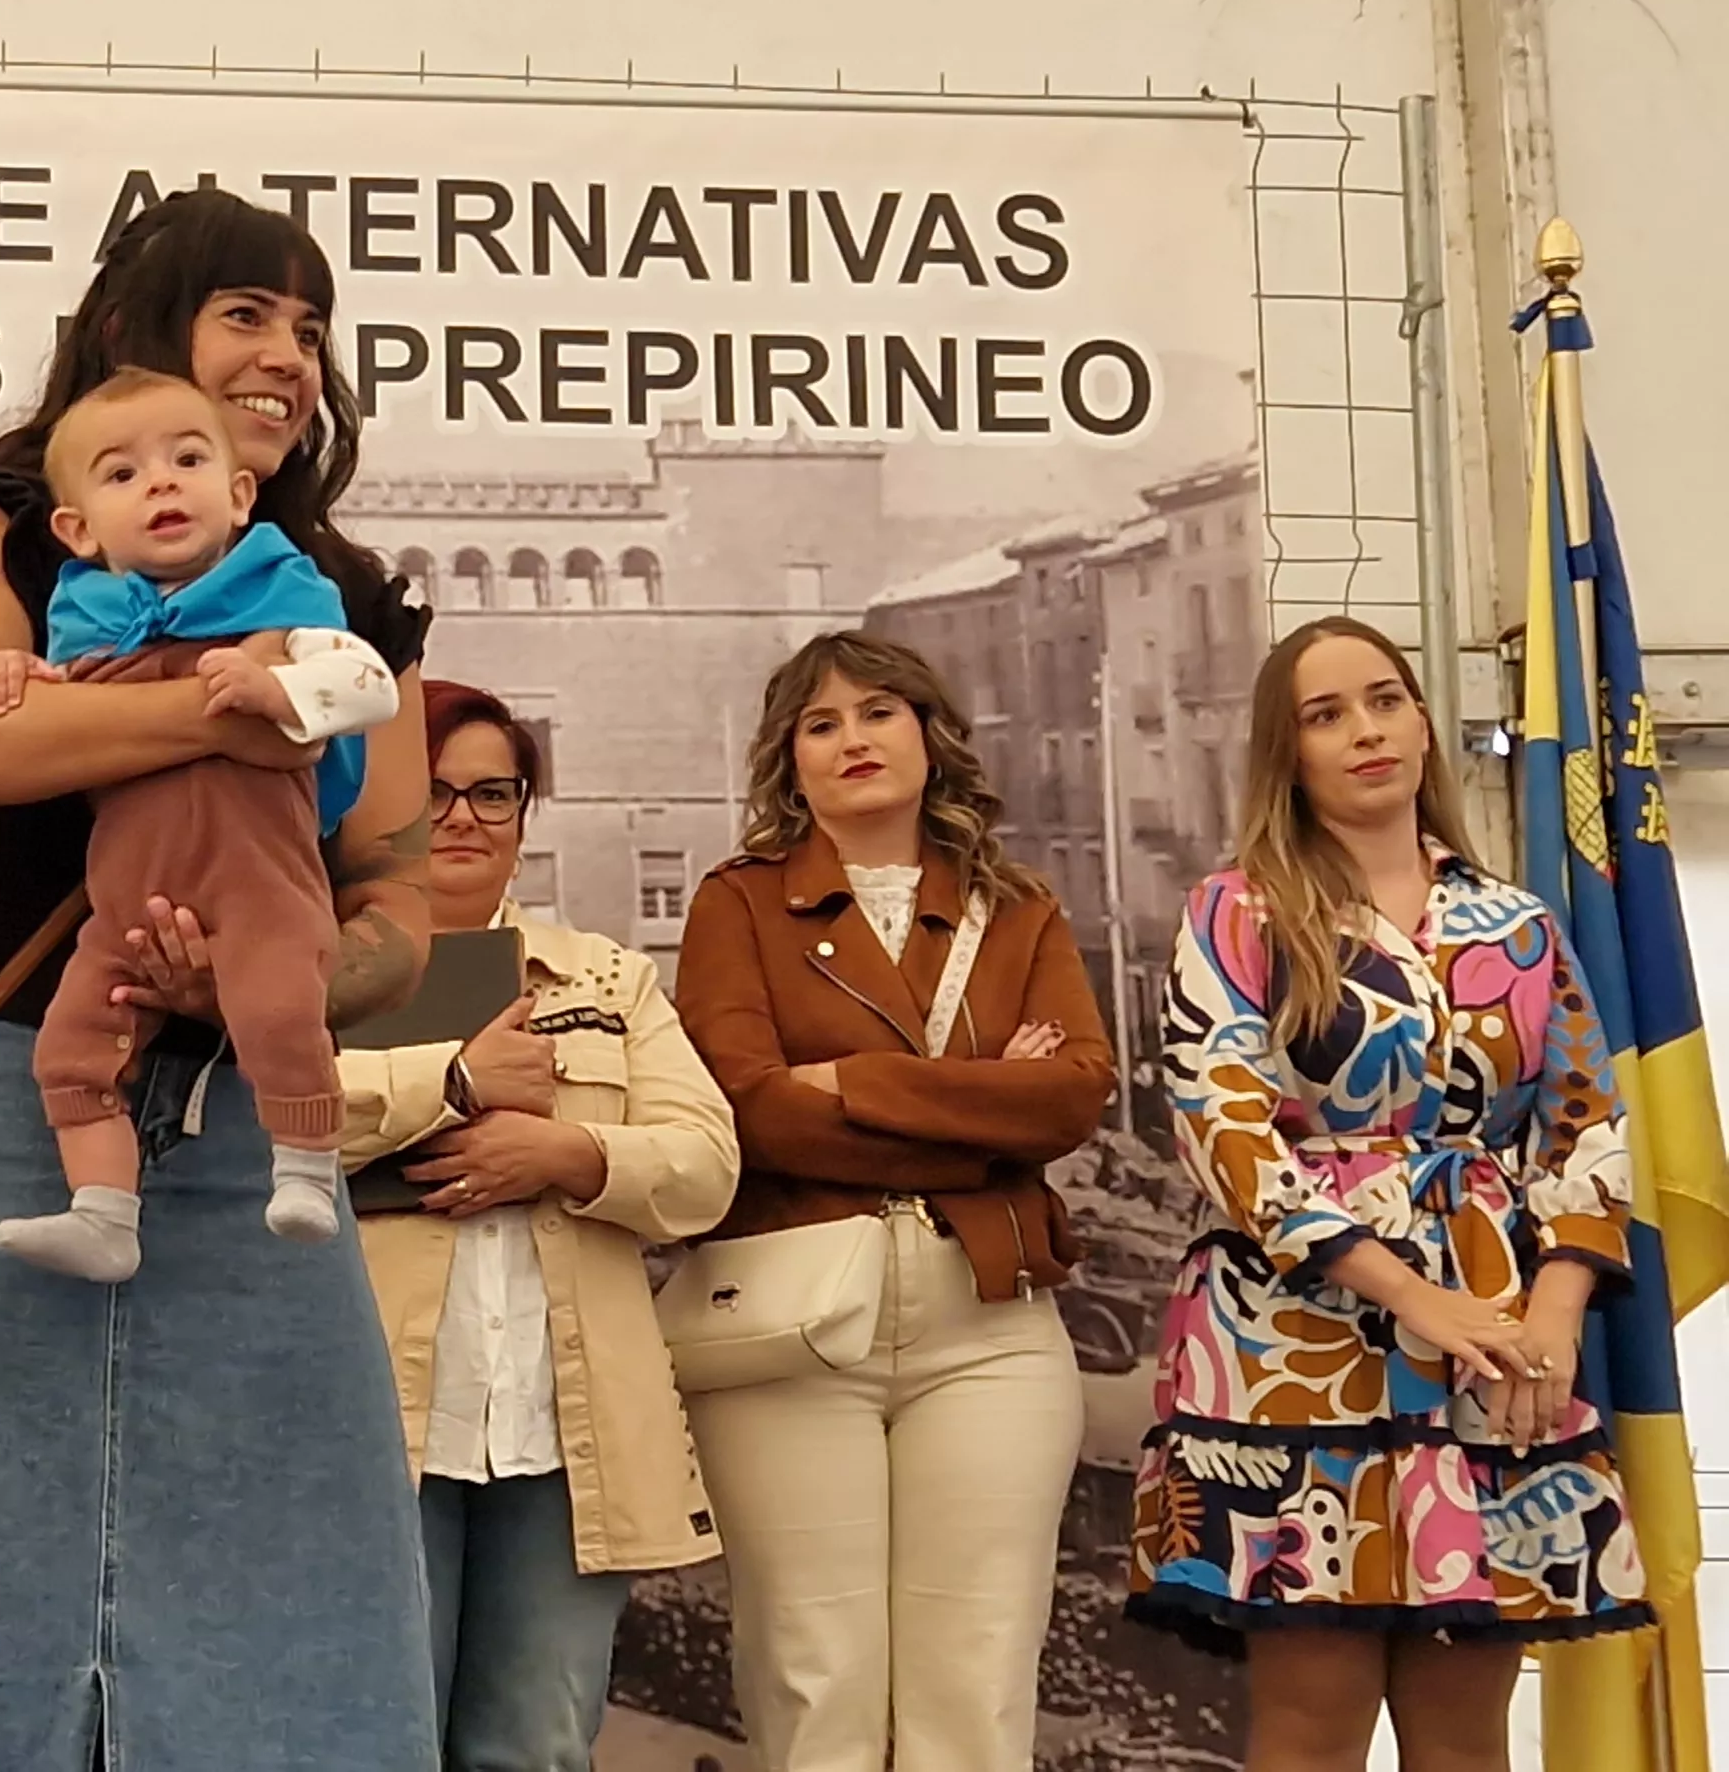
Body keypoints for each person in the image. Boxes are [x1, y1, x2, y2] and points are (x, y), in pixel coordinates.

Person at [0, 187, 439, 1768]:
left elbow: (403, 895)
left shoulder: (339, 589)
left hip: (251, 1119)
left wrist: (293, 980)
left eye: (312, 327)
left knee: (283, 1563)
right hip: (7, 1103)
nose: (290, 357)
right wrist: (234, 712)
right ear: (142, 331)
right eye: (250, 315)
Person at [1127, 616, 1648, 1772]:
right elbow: (1225, 1129)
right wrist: (1412, 1299)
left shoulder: (1516, 923)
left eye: (1383, 699)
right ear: (1287, 753)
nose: (1364, 730)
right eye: (1324, 715)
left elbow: (1585, 1129)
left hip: (1495, 1345)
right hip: (1290, 1343)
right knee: (1312, 1728)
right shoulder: (1235, 913)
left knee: (1465, 1737)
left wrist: (1551, 1319)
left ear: (1422, 718)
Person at [666, 629, 1112, 1772]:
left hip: (993, 1326)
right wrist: (979, 1110)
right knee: (816, 1682)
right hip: (790, 1328)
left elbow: (1068, 1100)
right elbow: (749, 1113)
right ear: (789, 762)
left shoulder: (1017, 908)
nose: (852, 739)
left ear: (929, 733)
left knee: (977, 1681)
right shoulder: (739, 904)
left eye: (876, 712)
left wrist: (855, 1086)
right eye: (821, 724)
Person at [329, 681, 735, 1772]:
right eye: (435, 793)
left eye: (493, 794)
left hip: (566, 1440)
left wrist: (567, 1156)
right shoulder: (311, 974)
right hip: (373, 1429)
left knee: (538, 1748)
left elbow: (706, 1168)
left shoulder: (604, 976)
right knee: (371, 1742)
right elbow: (262, 1129)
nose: (462, 818)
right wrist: (449, 1085)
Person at [0, 369, 395, 1278]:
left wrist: (274, 687)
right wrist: (16, 670)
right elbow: (57, 714)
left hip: (258, 889)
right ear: (77, 531)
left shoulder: (285, 602)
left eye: (187, 459)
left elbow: (369, 689)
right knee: (70, 1049)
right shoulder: (88, 622)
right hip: (127, 901)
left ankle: (307, 1169)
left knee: (279, 1012)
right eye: (121, 476)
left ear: (239, 494)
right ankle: (103, 1212)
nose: (159, 483)